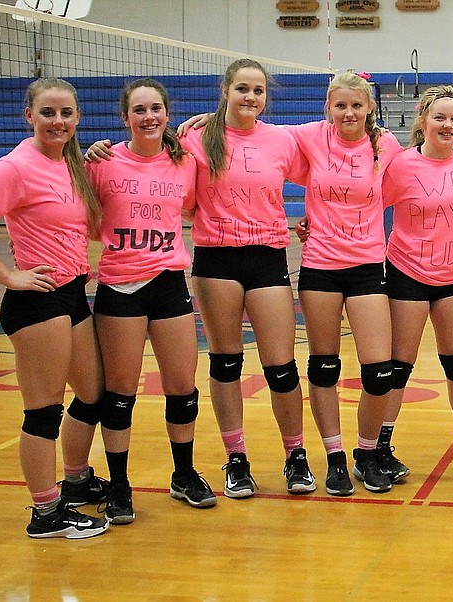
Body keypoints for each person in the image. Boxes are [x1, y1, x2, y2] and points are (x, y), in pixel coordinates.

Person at [0, 78, 108, 538]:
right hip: (36, 301)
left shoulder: (71, 164)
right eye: (48, 113)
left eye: (66, 114)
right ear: (30, 116)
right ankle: (45, 513)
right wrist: (8, 275)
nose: (58, 122)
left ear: (77, 117)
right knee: (43, 411)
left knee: (93, 394)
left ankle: (75, 479)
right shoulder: (14, 167)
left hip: (74, 293)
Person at [86, 78, 217, 524]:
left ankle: (183, 475)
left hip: (168, 282)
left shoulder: (184, 161)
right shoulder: (102, 163)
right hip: (120, 286)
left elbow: (199, 205)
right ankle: (119, 486)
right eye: (139, 110)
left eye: (156, 108)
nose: (149, 117)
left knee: (183, 387)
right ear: (125, 118)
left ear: (167, 114)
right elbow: (81, 219)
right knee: (121, 392)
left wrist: (210, 119)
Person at [181, 59, 313, 498]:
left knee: (281, 367)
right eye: (242, 89)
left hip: (266, 257)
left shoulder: (281, 140)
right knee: (226, 363)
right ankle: (236, 459)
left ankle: (296, 456)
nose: (250, 97)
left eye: (258, 90)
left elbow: (331, 168)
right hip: (216, 259)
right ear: (225, 90)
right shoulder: (197, 137)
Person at [284, 71, 404, 495]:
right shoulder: (312, 136)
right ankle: (335, 457)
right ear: (328, 108)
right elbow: (255, 134)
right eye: (341, 105)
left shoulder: (384, 144)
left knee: (378, 371)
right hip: (319, 266)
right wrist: (206, 120)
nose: (349, 112)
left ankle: (366, 454)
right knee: (325, 365)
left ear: (369, 106)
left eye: (356, 105)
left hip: (367, 264)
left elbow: (428, 154)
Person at [379, 86, 453, 477]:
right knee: (398, 367)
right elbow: (366, 203)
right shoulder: (402, 165)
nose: (448, 125)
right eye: (439, 117)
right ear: (423, 119)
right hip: (407, 272)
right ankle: (382, 445)